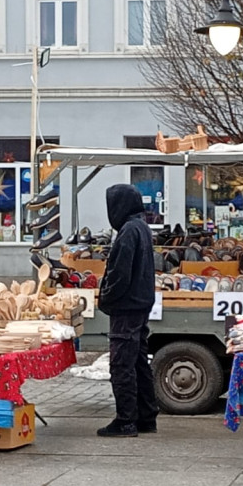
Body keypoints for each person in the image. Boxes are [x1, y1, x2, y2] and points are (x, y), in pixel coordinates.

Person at [97, 184, 157, 437]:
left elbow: (119, 273)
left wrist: (106, 298)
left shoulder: (128, 231)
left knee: (122, 364)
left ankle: (126, 420)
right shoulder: (141, 227)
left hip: (127, 306)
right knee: (138, 362)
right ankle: (146, 416)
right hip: (139, 304)